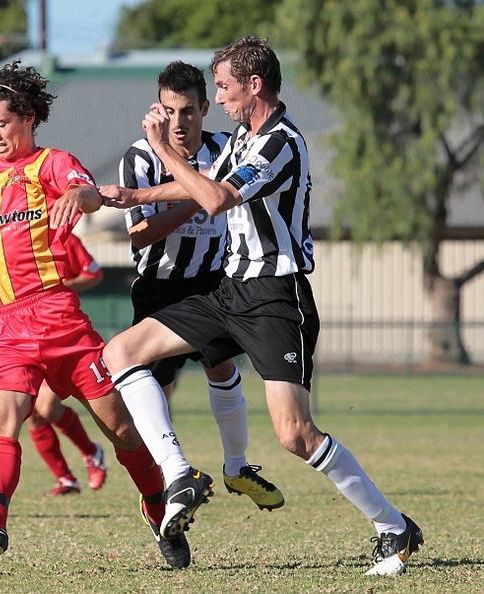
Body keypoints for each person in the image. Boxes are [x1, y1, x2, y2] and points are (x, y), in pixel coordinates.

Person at [100, 36, 423, 577]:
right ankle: (178, 472)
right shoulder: (244, 138)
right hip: (230, 291)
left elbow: (216, 199)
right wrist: (128, 197)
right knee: (122, 352)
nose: (218, 100)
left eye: (223, 88)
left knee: (296, 435)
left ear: (254, 86)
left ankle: (394, 527)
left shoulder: (280, 143)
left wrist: (159, 149)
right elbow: (197, 185)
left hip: (276, 297)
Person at [0, 61, 190, 570]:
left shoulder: (52, 162)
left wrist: (77, 195)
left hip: (57, 322)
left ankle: (159, 509)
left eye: (2, 124)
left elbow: (89, 192)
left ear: (27, 118)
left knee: (121, 432)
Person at [120, 60, 283, 511]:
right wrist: (199, 201)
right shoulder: (139, 155)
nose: (178, 122)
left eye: (188, 111)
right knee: (154, 387)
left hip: (213, 282)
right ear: (158, 109)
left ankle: (236, 466)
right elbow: (141, 233)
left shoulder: (228, 146)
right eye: (169, 111)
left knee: (223, 369)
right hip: (158, 285)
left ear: (205, 108)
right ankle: (172, 481)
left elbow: (235, 198)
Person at [28, 233, 107, 497]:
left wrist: (64, 288)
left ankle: (91, 451)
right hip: (22, 335)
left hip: (58, 334)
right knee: (34, 413)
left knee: (47, 406)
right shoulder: (12, 237)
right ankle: (66, 479)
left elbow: (93, 273)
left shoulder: (64, 239)